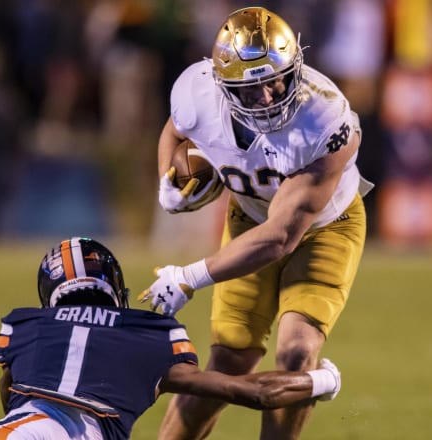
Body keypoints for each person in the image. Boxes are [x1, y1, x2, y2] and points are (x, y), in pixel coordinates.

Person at [140, 6, 372, 440]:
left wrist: (191, 276)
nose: (269, 97)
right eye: (253, 89)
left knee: (297, 351)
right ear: (222, 86)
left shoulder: (327, 119)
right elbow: (175, 130)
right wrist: (166, 182)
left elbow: (282, 236)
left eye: (277, 81)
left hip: (326, 227)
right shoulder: (196, 92)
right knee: (230, 357)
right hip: (250, 214)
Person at [0, 237, 342, 440]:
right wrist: (323, 380)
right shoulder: (146, 335)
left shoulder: (26, 327)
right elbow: (254, 393)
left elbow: (10, 395)